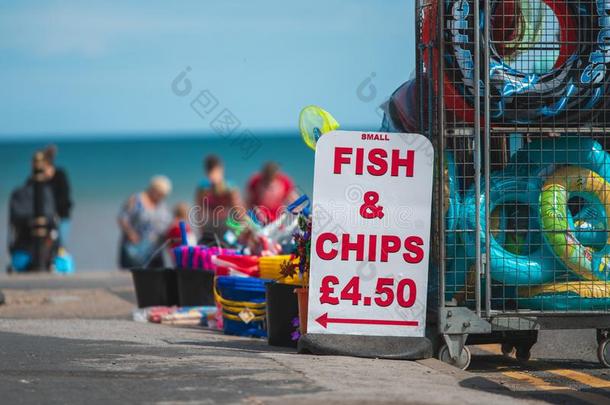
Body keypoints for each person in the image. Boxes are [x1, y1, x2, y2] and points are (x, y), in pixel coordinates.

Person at [118, 175, 172, 269]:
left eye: (164, 195)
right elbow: (122, 218)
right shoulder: (136, 200)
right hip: (136, 248)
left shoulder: (161, 204)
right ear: (153, 189)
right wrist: (131, 233)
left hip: (155, 249)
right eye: (160, 194)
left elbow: (167, 221)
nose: (161, 197)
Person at [194, 155, 244, 245]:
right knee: (231, 249)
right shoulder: (230, 186)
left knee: (210, 251)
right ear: (220, 167)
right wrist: (242, 227)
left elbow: (199, 211)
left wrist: (201, 228)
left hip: (210, 225)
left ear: (206, 170)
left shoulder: (202, 187)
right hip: (228, 226)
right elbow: (238, 209)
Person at [42, 145, 73, 248]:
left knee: (61, 245)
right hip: (47, 218)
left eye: (44, 168)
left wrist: (54, 211)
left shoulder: (60, 175)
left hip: (61, 216)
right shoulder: (39, 180)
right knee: (45, 247)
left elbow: (65, 197)